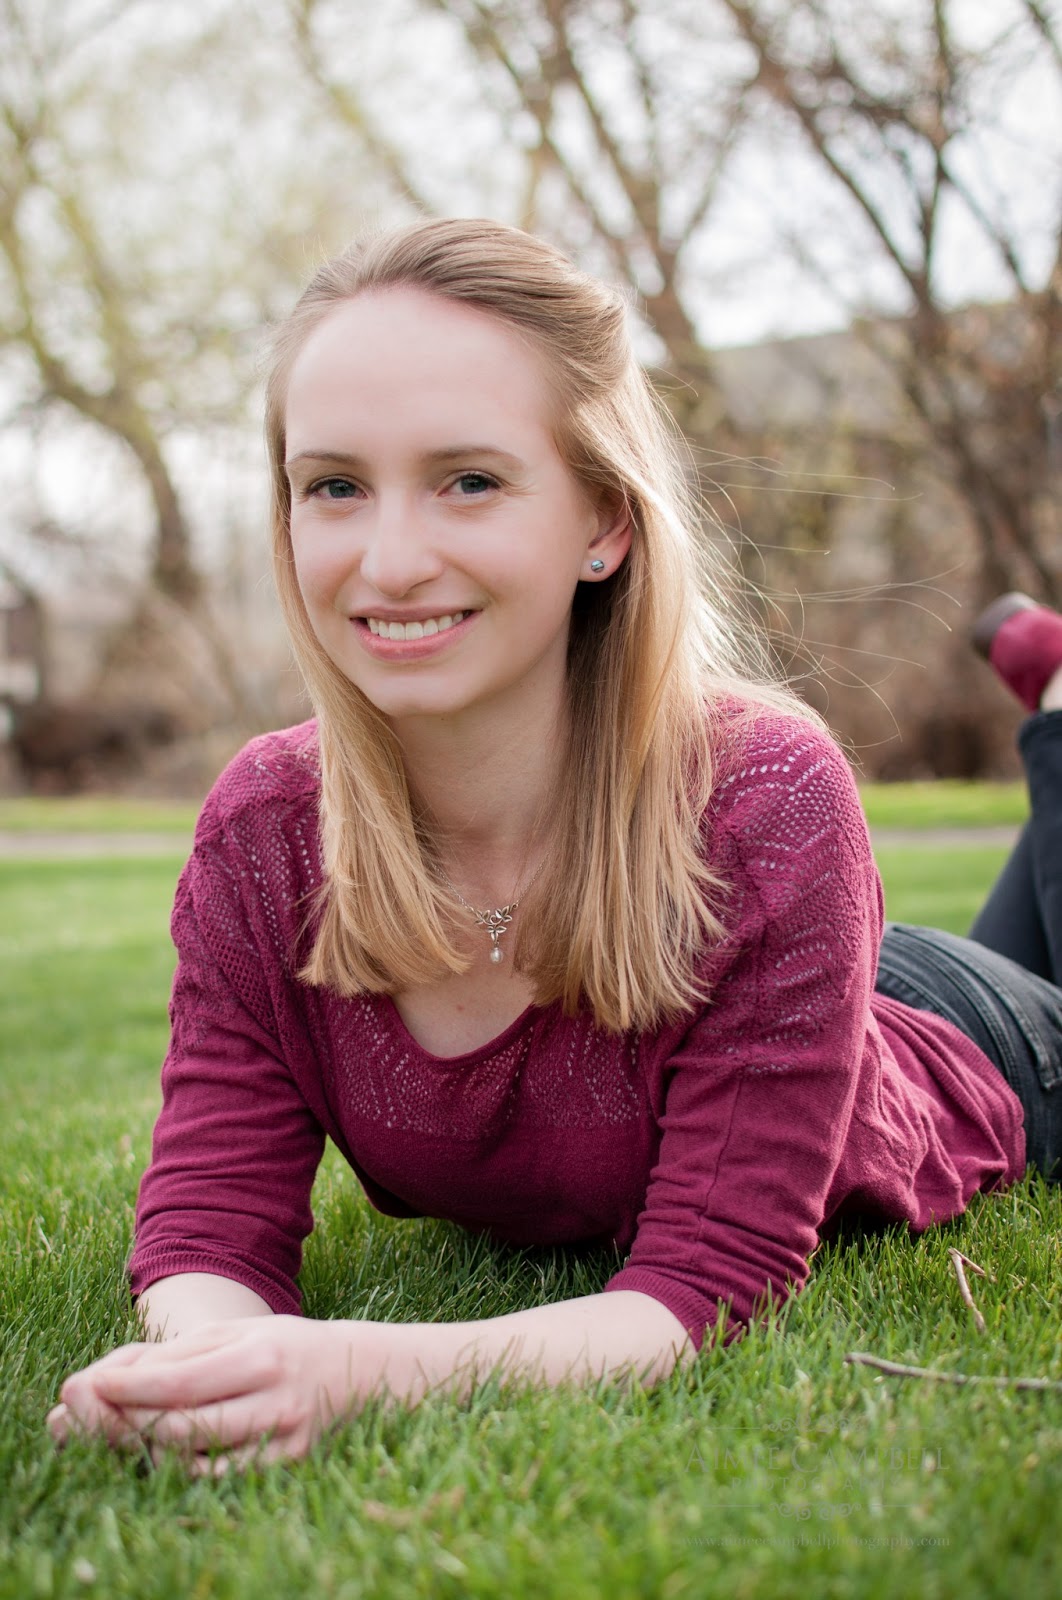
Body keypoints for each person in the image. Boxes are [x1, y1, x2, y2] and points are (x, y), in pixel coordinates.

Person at [46, 219, 1062, 1476]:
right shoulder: (266, 831)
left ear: (605, 522)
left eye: (469, 479)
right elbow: (208, 1217)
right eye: (336, 485)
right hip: (818, 981)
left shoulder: (769, 798)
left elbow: (704, 1283)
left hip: (967, 1040)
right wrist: (213, 1364)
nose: (392, 559)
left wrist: (356, 1368)